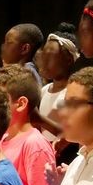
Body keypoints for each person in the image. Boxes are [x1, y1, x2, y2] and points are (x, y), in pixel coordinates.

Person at [37, 24, 80, 164]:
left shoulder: (73, 92)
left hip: (64, 158)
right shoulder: (44, 90)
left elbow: (71, 133)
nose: (44, 61)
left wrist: (38, 119)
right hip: (45, 153)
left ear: (68, 60)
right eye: (43, 54)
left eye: (50, 56)